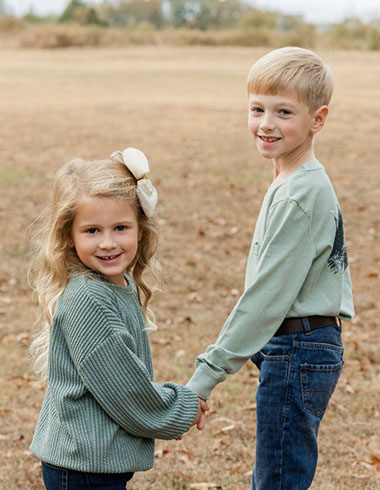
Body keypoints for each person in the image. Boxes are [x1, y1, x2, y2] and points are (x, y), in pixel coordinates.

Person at [187, 47, 354, 489]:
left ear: (317, 120)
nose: (266, 123)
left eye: (283, 112)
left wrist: (205, 376)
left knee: (278, 478)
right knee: (277, 472)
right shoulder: (296, 180)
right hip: (301, 343)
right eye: (257, 109)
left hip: (300, 348)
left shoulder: (300, 193)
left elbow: (265, 298)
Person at [29, 147, 208, 490]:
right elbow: (125, 390)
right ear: (69, 236)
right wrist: (181, 407)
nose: (108, 243)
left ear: (141, 229)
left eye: (120, 227)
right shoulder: (89, 300)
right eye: (92, 230)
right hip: (81, 467)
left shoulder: (116, 286)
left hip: (92, 460)